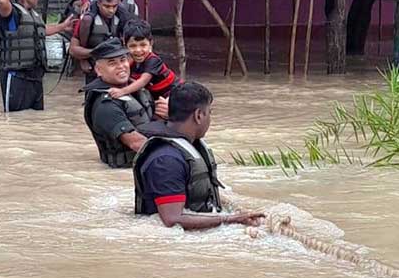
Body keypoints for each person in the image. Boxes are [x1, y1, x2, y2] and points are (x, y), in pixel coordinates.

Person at [134, 82, 265, 230]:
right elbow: (171, 220)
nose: (210, 118)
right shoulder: (166, 160)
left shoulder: (188, 147)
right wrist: (231, 219)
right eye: (210, 112)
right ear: (198, 115)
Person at [0, 0, 76, 112]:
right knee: (14, 122)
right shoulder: (13, 14)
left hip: (35, 79)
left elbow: (40, 31)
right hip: (17, 78)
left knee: (35, 121)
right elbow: (1, 1)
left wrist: (62, 26)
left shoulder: (33, 15)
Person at [82, 38, 168, 168]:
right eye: (112, 63)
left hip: (145, 162)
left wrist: (168, 113)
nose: (121, 66)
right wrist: (173, 159)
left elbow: (150, 120)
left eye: (123, 60)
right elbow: (136, 143)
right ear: (99, 70)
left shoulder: (135, 88)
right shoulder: (105, 105)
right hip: (124, 171)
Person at [69, 0, 135, 83]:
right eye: (107, 6)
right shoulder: (87, 19)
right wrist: (85, 58)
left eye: (114, 6)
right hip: (94, 64)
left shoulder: (123, 17)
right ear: (99, 4)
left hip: (116, 67)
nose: (111, 10)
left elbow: (134, 45)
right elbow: (73, 50)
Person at [108, 19, 180, 101]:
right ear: (125, 44)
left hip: (173, 92)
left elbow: (142, 81)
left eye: (143, 45)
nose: (138, 50)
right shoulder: (129, 60)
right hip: (155, 95)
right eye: (133, 46)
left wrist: (122, 91)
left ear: (150, 43)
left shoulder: (153, 60)